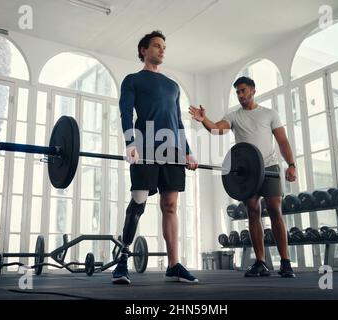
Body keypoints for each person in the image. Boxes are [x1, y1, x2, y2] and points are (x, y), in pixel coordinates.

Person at [113, 30, 199, 284]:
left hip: (172, 149)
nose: (162, 50)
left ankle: (173, 265)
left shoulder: (173, 86)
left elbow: (178, 122)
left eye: (164, 46)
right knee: (139, 201)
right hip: (145, 144)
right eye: (156, 46)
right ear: (143, 50)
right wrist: (130, 142)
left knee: (170, 206)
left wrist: (188, 151)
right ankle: (122, 259)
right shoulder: (133, 80)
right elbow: (126, 113)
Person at [189, 76, 297, 278]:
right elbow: (217, 129)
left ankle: (285, 262)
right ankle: (261, 262)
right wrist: (204, 119)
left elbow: (282, 141)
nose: (240, 95)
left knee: (275, 211)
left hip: (270, 166)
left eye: (243, 90)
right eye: (237, 92)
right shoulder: (234, 116)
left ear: (253, 90)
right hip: (249, 170)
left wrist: (291, 164)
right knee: (253, 212)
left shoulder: (269, 113)